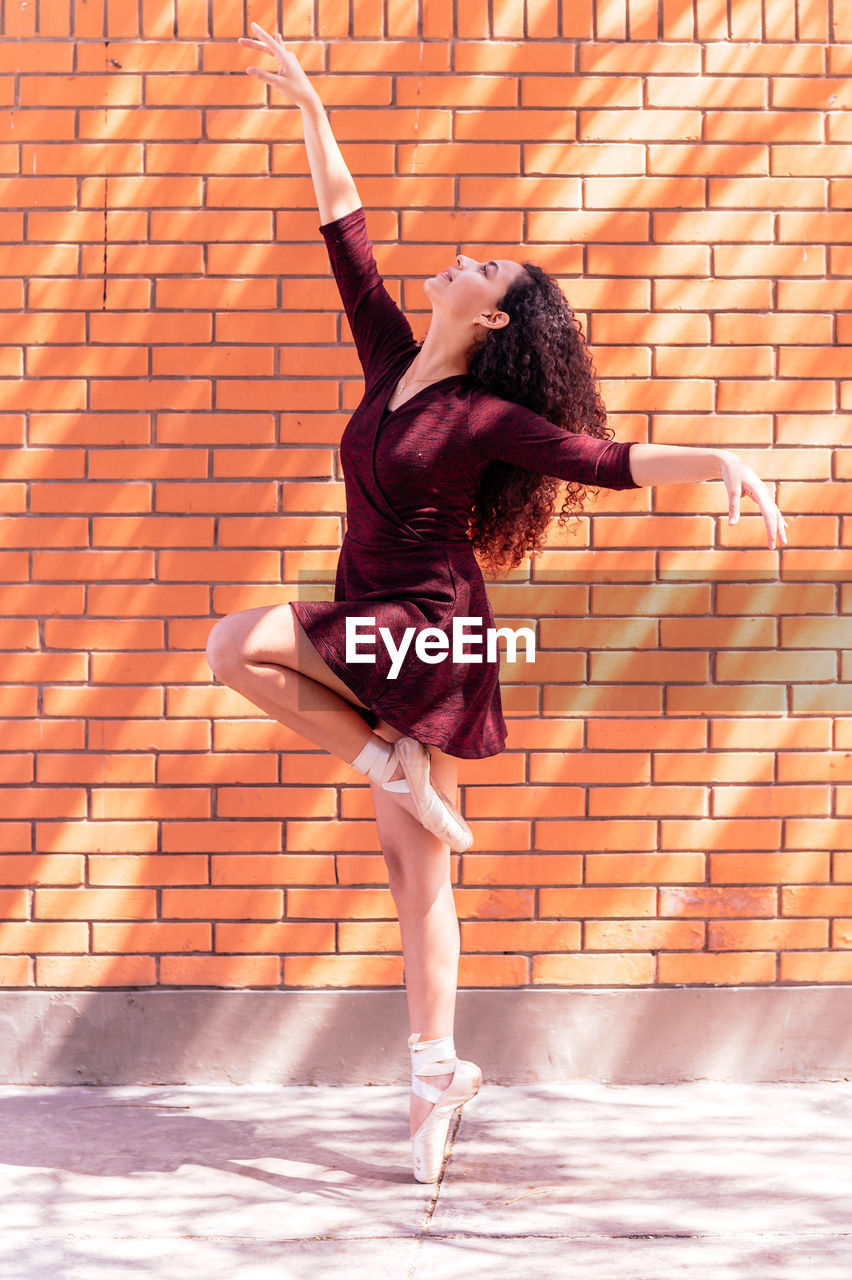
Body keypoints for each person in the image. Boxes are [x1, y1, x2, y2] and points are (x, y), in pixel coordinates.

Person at [205, 21, 789, 1185]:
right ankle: (436, 1066)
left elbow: (605, 456)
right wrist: (314, 107)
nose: (458, 260)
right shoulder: (389, 362)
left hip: (436, 632)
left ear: (497, 317)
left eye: (482, 267)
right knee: (408, 856)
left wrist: (723, 459)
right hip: (376, 612)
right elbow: (345, 228)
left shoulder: (483, 414)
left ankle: (423, 1003)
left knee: (246, 656)